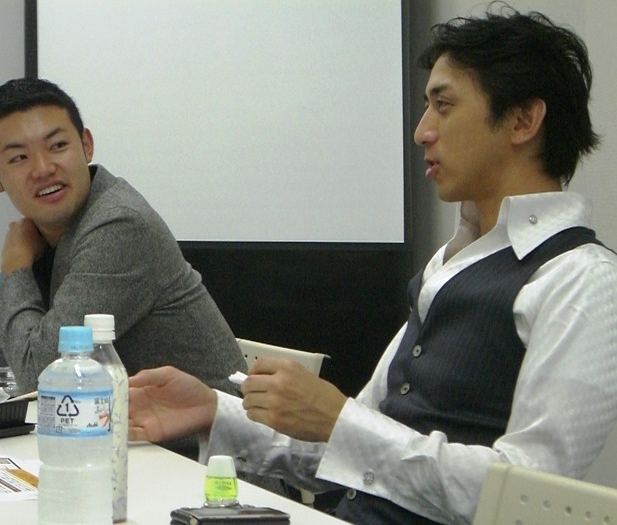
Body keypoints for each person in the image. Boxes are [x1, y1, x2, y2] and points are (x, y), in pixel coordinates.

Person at [127, 6, 617, 525]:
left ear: (522, 120)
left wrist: (340, 422)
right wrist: (213, 411)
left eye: (444, 105)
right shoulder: (449, 262)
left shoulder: (581, 280)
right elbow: (352, 454)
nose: (421, 132)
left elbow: (533, 500)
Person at [0, 78, 247, 396]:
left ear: (86, 145)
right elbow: (8, 367)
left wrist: (15, 270)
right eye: (19, 158)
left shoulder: (119, 226)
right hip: (125, 421)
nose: (43, 168)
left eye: (57, 146)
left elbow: (40, 376)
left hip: (207, 427)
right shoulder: (46, 232)